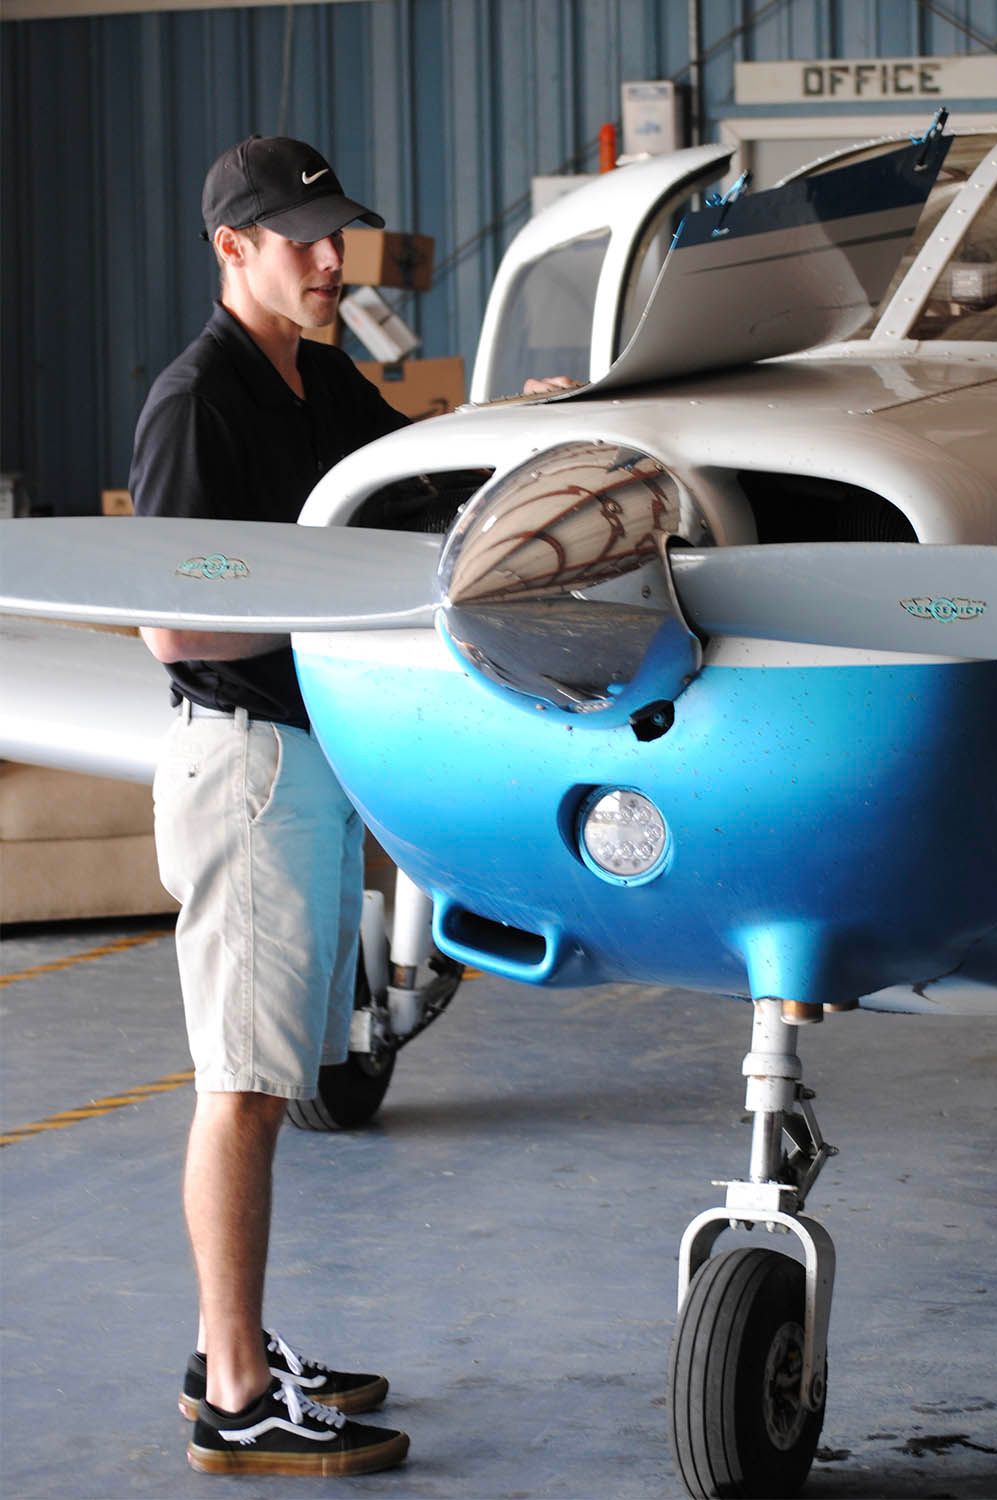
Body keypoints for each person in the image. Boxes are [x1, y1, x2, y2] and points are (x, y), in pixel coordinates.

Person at [130, 134, 418, 1478]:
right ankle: (236, 1395)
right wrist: (332, 615)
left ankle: (225, 1347)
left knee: (273, 1075)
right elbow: (172, 629)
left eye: (336, 231)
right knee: (244, 1088)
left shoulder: (318, 381)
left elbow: (418, 484)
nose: (327, 256)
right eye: (299, 236)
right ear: (230, 248)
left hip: (301, 762)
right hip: (243, 763)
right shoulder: (202, 401)